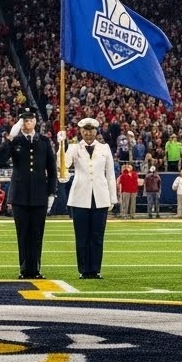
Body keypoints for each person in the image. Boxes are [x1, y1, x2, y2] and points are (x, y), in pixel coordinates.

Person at [0, 107, 57, 279]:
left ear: (35, 121)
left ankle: (35, 270)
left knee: (37, 234)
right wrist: (10, 138)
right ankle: (24, 270)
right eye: (24, 120)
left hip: (39, 195)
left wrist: (51, 193)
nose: (27, 123)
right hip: (20, 195)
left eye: (30, 120)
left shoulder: (44, 141)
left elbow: (51, 169)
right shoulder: (15, 141)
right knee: (22, 234)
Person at [65, 117, 115, 279]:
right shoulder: (74, 147)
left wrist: (112, 197)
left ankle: (95, 269)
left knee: (97, 236)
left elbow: (110, 174)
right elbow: (63, 165)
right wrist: (62, 146)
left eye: (91, 130)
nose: (88, 133)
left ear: (96, 131)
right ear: (80, 131)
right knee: (81, 236)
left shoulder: (104, 148)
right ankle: (84, 270)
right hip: (80, 197)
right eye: (85, 130)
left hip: (100, 197)